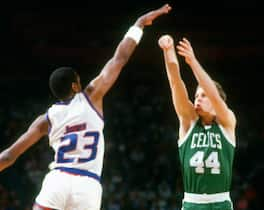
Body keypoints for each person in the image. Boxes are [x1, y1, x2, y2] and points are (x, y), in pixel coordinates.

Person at [0, 4, 171, 210]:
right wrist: (138, 25)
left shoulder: (46, 119)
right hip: (88, 185)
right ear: (74, 85)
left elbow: (9, 156)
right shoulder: (91, 96)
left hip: (58, 180)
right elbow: (120, 59)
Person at [158, 34, 237, 210]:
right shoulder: (188, 122)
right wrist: (168, 51)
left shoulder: (227, 121)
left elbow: (215, 95)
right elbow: (175, 83)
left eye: (203, 95)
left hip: (221, 203)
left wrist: (193, 61)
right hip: (193, 202)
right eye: (196, 96)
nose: (197, 100)